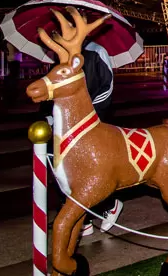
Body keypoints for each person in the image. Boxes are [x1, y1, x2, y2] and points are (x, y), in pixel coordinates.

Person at [43, 38, 122, 236]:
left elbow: (107, 88)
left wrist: (87, 114)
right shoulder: (61, 54)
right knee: (63, 170)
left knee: (91, 171)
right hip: (64, 124)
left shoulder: (96, 52)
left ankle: (109, 205)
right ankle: (80, 218)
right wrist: (49, 115)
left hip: (92, 122)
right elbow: (55, 86)